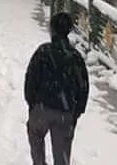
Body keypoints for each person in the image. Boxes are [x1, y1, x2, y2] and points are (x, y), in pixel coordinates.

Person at [24, 12, 90, 165]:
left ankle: (39, 162)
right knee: (62, 153)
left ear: (52, 30)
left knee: (35, 134)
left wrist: (33, 105)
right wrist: (75, 113)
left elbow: (30, 81)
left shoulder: (43, 52)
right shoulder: (75, 57)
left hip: (42, 108)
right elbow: (83, 87)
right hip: (65, 112)